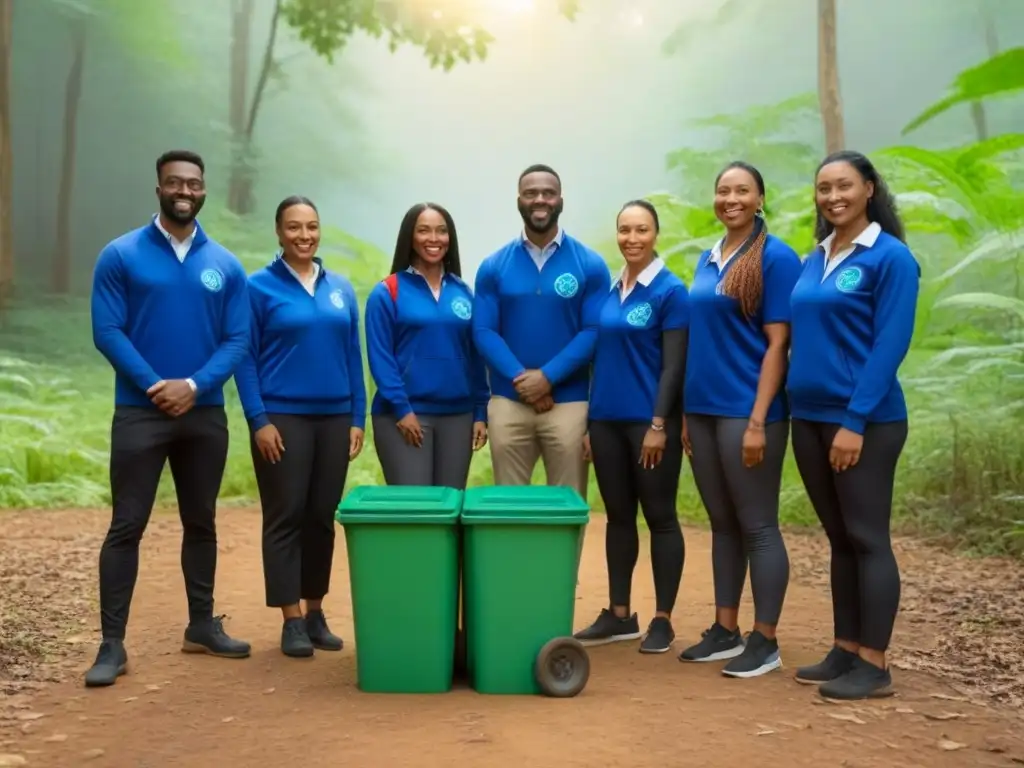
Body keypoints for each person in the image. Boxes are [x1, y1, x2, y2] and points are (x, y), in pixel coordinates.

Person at [86, 150, 252, 687]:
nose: (185, 190)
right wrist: (157, 385)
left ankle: (201, 625)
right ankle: (112, 644)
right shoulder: (121, 254)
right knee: (126, 525)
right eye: (175, 182)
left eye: (194, 183)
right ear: (158, 187)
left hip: (203, 416)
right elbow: (108, 331)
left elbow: (237, 339)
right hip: (139, 412)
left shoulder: (224, 264)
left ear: (204, 191)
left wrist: (196, 385)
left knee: (200, 521)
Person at [787, 150, 920, 700]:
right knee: (839, 540)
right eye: (824, 188)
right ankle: (845, 648)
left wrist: (855, 421)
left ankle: (875, 662)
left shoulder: (890, 258)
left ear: (869, 189)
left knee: (867, 538)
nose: (833, 196)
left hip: (863, 421)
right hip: (809, 418)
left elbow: (890, 345)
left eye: (844, 186)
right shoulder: (814, 257)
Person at [676, 161, 803, 678]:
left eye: (742, 191)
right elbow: (700, 341)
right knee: (722, 524)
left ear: (760, 198)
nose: (731, 199)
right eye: (723, 191)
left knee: (758, 526)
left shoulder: (776, 258)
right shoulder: (710, 257)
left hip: (747, 412)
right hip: (703, 411)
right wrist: (685, 414)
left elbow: (779, 344)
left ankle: (765, 639)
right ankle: (725, 630)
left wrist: (757, 420)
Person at [233, 196, 366, 658]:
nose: (304, 235)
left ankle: (315, 612)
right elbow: (244, 357)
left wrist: (357, 417)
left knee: (321, 517)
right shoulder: (257, 288)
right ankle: (290, 619)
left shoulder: (340, 289)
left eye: (311, 226)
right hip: (282, 418)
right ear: (278, 232)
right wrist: (258, 420)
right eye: (294, 227)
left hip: (334, 417)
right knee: (285, 514)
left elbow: (353, 355)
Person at [573, 200, 688, 654]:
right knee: (618, 518)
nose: (632, 238)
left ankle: (663, 619)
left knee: (659, 517)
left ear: (655, 234)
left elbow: (674, 367)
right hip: (605, 423)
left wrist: (659, 423)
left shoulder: (670, 291)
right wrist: (590, 421)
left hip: (649, 423)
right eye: (624, 230)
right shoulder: (609, 291)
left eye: (641, 230)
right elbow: (599, 361)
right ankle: (620, 615)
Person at [472, 164, 611, 500]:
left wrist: (547, 378)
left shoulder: (589, 264)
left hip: (569, 404)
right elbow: (484, 330)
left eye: (548, 193)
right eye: (531, 193)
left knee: (568, 504)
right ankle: (514, 556)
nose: (540, 199)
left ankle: (563, 558)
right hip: (508, 401)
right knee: (510, 505)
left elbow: (594, 330)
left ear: (560, 200)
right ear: (519, 200)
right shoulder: (494, 266)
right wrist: (524, 380)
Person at [365, 203, 489, 487]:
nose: (434, 239)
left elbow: (476, 357)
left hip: (458, 417)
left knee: (450, 510)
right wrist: (401, 409)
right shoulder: (387, 292)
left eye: (441, 231)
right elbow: (380, 358)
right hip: (404, 416)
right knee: (416, 511)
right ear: (410, 236)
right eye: (424, 231)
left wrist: (480, 411)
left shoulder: (464, 292)